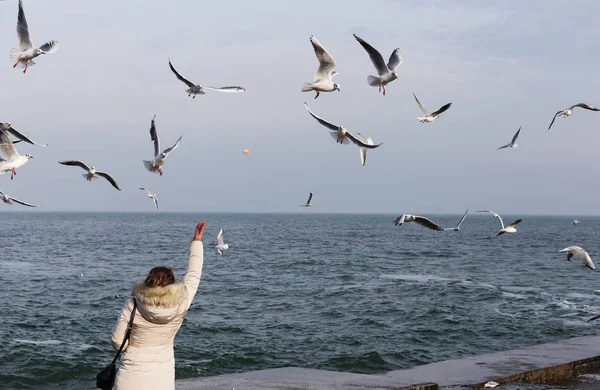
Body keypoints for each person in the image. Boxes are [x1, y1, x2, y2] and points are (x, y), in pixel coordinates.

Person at [110, 221, 206, 390]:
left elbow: (118, 343)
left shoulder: (133, 304)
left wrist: (133, 346)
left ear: (148, 282)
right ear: (172, 283)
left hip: (130, 377)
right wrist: (196, 242)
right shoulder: (182, 302)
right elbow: (193, 275)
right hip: (162, 379)